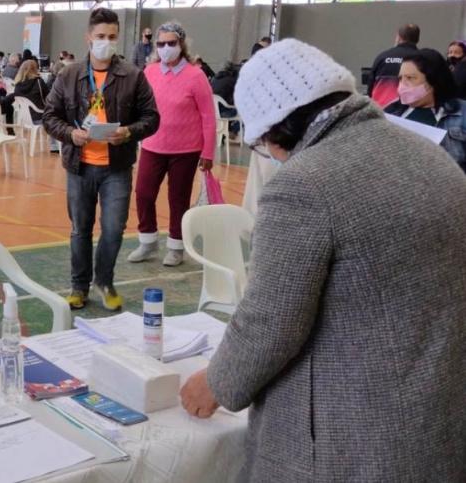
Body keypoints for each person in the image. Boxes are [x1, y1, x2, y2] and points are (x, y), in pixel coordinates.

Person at [179, 38, 466, 481]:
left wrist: (216, 383)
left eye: (264, 143)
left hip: (351, 436)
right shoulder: (428, 153)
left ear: (280, 128)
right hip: (439, 419)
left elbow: (271, 320)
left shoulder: (305, 184)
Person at [42, 8, 160, 310]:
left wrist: (129, 132)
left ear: (118, 38)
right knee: (80, 229)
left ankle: (104, 280)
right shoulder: (68, 75)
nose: (106, 42)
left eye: (111, 37)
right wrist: (70, 134)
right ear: (88, 38)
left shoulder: (133, 76)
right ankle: (79, 286)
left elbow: (152, 118)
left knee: (113, 229)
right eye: (100, 37)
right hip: (79, 166)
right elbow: (49, 116)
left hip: (116, 167)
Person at [128, 22, 216, 267]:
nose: (166, 48)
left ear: (182, 45)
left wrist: (208, 152)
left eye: (171, 43)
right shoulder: (150, 72)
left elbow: (208, 116)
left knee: (178, 199)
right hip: (152, 145)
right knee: (144, 194)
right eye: (161, 43)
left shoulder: (196, 76)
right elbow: (140, 107)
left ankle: (176, 246)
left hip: (186, 150)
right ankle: (148, 241)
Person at [384, 48, 466, 172]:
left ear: (433, 81)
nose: (402, 85)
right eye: (401, 78)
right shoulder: (391, 112)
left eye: (410, 78)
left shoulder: (461, 113)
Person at [367, 22, 420, 107]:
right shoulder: (422, 59)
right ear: (417, 39)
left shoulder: (383, 57)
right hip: (408, 114)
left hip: (381, 112)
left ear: (398, 37)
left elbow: (370, 88)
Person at [211, 61, 241, 141]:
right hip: (224, 111)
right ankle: (233, 131)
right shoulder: (232, 81)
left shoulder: (214, 79)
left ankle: (226, 130)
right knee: (245, 113)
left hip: (212, 111)